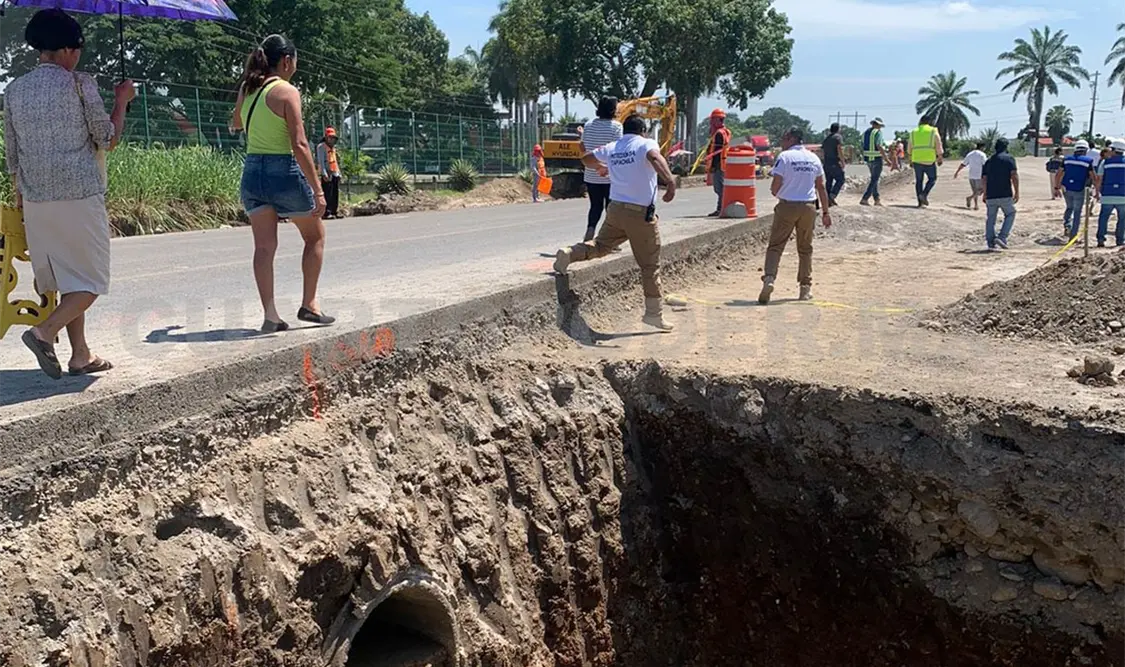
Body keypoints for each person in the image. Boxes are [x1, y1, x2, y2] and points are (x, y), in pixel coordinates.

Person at [5, 9, 134, 379]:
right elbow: (107, 138)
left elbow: (13, 155)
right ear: (64, 50)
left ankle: (81, 355)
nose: (78, 56)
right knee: (91, 282)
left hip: (36, 199)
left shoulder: (14, 90)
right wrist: (122, 100)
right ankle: (43, 332)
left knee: (69, 279)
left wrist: (21, 197)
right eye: (77, 49)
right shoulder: (80, 84)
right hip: (78, 195)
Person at [231, 34, 333, 333]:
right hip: (282, 170)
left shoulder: (248, 89)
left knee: (264, 247)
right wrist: (317, 190)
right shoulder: (287, 92)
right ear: (287, 60)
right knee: (315, 236)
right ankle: (310, 305)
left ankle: (271, 316)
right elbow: (300, 144)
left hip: (252, 172)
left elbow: (236, 123)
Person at [552, 114, 677, 330]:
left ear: (624, 130)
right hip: (640, 215)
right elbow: (655, 158)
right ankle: (653, 314)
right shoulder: (645, 143)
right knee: (650, 265)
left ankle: (569, 253)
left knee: (601, 246)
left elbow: (586, 159)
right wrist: (671, 182)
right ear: (643, 130)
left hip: (616, 210)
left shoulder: (615, 147)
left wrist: (606, 165)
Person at [759, 127, 832, 305]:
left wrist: (776, 193)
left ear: (791, 139)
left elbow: (776, 184)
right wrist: (825, 212)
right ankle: (805, 288)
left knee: (776, 245)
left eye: (784, 138)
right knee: (805, 248)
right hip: (808, 207)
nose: (782, 142)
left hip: (787, 205)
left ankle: (769, 279)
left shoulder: (784, 158)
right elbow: (821, 186)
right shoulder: (813, 158)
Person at [581, 96, 623, 241]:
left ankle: (590, 230)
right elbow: (618, 149)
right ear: (613, 110)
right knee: (610, 208)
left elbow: (583, 146)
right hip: (610, 175)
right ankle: (609, 239)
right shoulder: (616, 127)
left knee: (595, 205)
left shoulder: (588, 125)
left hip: (591, 173)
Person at [980, 138, 1019, 251]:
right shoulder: (1009, 159)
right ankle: (1002, 237)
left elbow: (984, 178)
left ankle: (990, 241)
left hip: (991, 194)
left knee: (991, 218)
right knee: (1011, 213)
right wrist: (1017, 191)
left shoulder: (989, 161)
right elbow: (1014, 175)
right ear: (1006, 147)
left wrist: (985, 193)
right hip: (1005, 193)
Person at [1055, 139, 1095, 239]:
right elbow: (1093, 176)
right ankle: (1073, 235)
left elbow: (1058, 174)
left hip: (1066, 188)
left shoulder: (1067, 159)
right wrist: (1096, 188)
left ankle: (1067, 225)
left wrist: (1056, 187)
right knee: (1077, 212)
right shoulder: (1088, 161)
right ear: (1086, 150)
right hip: (1079, 189)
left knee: (1069, 207)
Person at [1094, 139, 1125, 247]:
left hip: (1107, 194)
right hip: (1123, 196)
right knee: (1122, 219)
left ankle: (1101, 239)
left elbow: (1099, 179)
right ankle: (1120, 240)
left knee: (1103, 218)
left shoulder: (1105, 162)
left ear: (1113, 150)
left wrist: (1097, 192)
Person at [909, 115, 943, 207]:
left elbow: (910, 147)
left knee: (919, 181)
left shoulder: (913, 132)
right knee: (932, 179)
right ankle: (924, 194)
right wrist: (940, 157)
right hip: (929, 160)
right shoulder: (933, 131)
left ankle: (920, 203)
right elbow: (938, 144)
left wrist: (910, 159)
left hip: (916, 159)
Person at [705, 108, 731, 216]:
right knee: (721, 188)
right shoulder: (726, 132)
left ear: (717, 120)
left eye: (713, 120)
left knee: (719, 188)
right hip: (724, 164)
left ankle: (721, 209)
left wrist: (712, 166)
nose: (711, 122)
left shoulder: (719, 134)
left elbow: (717, 152)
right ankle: (721, 208)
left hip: (719, 164)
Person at [859, 118, 889, 206]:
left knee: (874, 179)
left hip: (868, 158)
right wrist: (886, 158)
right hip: (876, 158)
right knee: (875, 179)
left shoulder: (865, 133)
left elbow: (862, 145)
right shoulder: (877, 133)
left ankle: (877, 199)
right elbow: (879, 145)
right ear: (877, 125)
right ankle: (865, 198)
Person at [316, 127, 342, 219]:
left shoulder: (333, 147)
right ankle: (327, 212)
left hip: (334, 172)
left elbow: (335, 161)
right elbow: (321, 161)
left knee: (335, 193)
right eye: (330, 137)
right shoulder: (321, 147)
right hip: (327, 173)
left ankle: (334, 211)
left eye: (333, 138)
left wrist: (339, 173)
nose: (332, 139)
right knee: (327, 193)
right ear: (326, 137)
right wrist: (323, 173)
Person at [954, 142, 988, 210]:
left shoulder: (970, 154)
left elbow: (963, 164)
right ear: (982, 147)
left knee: (975, 191)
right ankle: (970, 198)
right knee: (983, 190)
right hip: (980, 175)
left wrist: (957, 172)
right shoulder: (982, 154)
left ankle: (976, 205)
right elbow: (986, 164)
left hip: (971, 175)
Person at [822, 122, 846, 206]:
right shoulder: (837, 137)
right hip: (834, 163)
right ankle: (832, 196)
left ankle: (828, 200)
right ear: (838, 129)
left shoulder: (826, 139)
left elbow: (822, 151)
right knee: (841, 179)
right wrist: (843, 161)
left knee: (829, 181)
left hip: (826, 163)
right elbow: (839, 149)